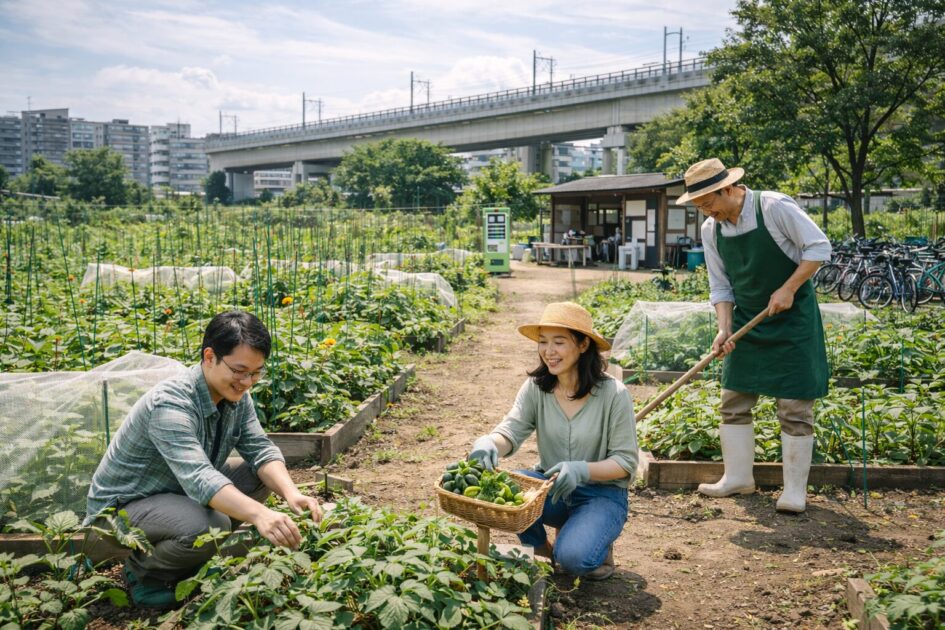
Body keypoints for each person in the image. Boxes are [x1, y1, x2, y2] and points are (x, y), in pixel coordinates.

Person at [85, 311, 322, 608]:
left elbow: (260, 448)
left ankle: (187, 557)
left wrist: (291, 493)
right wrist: (260, 515)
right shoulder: (171, 403)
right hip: (122, 510)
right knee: (211, 525)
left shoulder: (236, 396)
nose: (248, 382)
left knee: (256, 475)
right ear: (209, 356)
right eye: (240, 370)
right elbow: (200, 477)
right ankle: (144, 573)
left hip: (175, 493)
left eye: (256, 372)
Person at [676, 158, 831, 513]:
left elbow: (819, 248)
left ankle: (794, 491)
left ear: (728, 188)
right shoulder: (711, 229)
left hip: (792, 319)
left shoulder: (773, 207)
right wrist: (724, 328)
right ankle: (738, 478)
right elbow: (721, 285)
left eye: (708, 202)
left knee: (794, 406)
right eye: (698, 206)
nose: (706, 211)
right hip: (748, 319)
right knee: (734, 400)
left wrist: (788, 288)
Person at [468, 302, 637, 580]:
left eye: (559, 342)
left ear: (583, 345)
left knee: (573, 560)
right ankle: (540, 549)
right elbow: (511, 431)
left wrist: (582, 469)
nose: (548, 351)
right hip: (553, 489)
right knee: (509, 486)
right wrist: (489, 442)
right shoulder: (537, 388)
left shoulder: (613, 394)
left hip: (601, 495)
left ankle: (595, 542)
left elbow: (625, 462)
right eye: (543, 342)